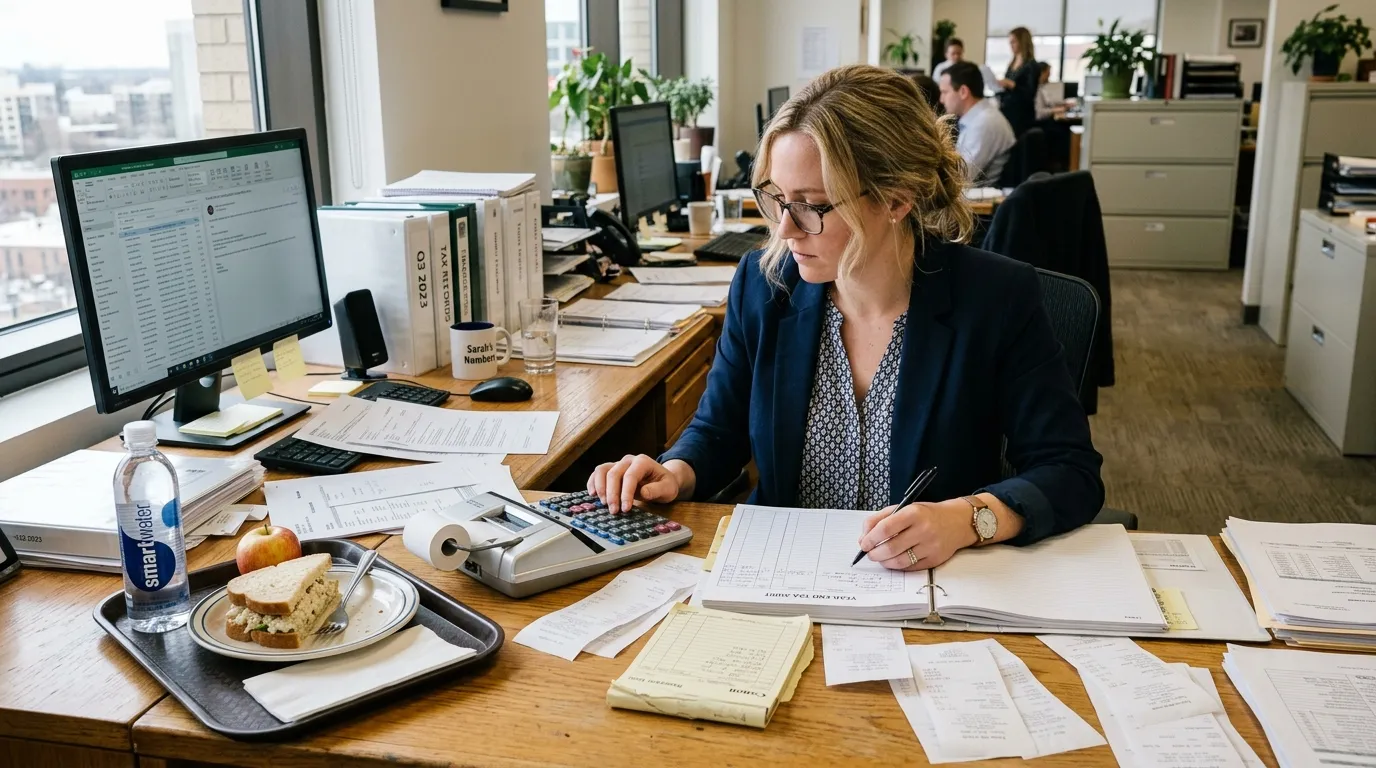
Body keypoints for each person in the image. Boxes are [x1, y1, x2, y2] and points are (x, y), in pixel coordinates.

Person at [587, 64, 1103, 572]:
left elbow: (1070, 470)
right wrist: (674, 472)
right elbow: (718, 430)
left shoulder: (994, 297)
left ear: (896, 199)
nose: (786, 229)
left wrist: (966, 519)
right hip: (780, 573)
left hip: (924, 584)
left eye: (811, 205)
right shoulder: (764, 284)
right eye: (777, 199)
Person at [939, 61, 1015, 185]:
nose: (941, 100)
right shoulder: (977, 118)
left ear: (963, 92)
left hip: (980, 198)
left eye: (945, 92)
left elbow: (959, 178)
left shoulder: (984, 123)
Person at [997, 27, 1040, 136]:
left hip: (1022, 115)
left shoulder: (1031, 65)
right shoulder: (1012, 63)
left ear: (1022, 42)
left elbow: (1030, 93)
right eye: (1010, 42)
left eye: (1013, 42)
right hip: (1008, 110)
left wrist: (1012, 84)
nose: (1011, 45)